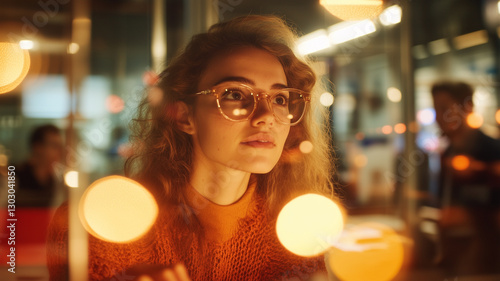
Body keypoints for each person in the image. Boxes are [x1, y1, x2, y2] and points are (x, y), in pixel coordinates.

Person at [47, 15, 335, 281]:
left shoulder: (300, 238)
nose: (265, 116)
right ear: (185, 116)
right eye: (235, 94)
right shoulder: (104, 228)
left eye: (280, 99)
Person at [431, 81, 500, 276]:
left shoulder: (492, 151)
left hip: (487, 260)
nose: (439, 117)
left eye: (445, 109)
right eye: (436, 109)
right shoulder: (448, 153)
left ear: (467, 108)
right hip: (455, 254)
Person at [17, 124, 64, 207]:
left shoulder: (56, 182)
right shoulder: (14, 178)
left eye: (60, 146)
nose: (59, 151)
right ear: (38, 147)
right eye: (54, 146)